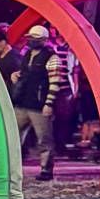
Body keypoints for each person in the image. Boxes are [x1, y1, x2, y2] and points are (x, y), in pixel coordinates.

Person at [10, 25, 66, 182]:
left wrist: (49, 104)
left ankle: (46, 169)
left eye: (35, 39)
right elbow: (24, 74)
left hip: (39, 105)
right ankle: (12, 165)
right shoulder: (26, 54)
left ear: (43, 40)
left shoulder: (52, 57)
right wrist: (16, 76)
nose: (31, 41)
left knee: (44, 138)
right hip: (22, 102)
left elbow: (55, 82)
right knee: (13, 135)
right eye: (31, 38)